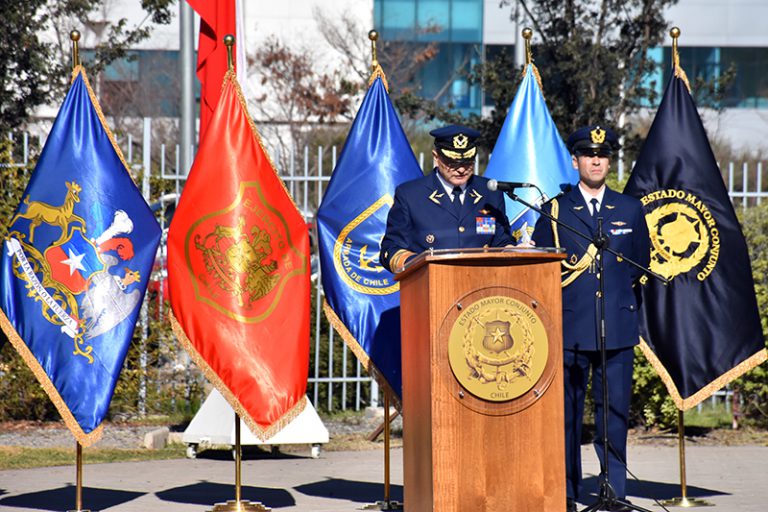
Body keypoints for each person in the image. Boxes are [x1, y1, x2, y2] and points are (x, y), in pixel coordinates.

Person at [532, 125, 650, 512]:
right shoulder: (554, 210)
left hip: (615, 326)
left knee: (613, 414)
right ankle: (565, 492)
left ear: (609, 161)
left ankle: (614, 489)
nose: (596, 161)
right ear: (575, 161)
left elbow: (639, 264)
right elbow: (541, 269)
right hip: (569, 326)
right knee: (566, 415)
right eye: (588, 155)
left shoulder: (630, 208)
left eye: (602, 155)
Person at [380, 125, 512, 273]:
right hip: (431, 286)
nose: (461, 169)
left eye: (467, 162)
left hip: (482, 285)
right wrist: (416, 264)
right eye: (453, 163)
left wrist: (515, 251)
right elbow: (391, 249)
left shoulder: (490, 192)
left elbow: (501, 241)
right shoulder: (410, 195)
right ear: (436, 157)